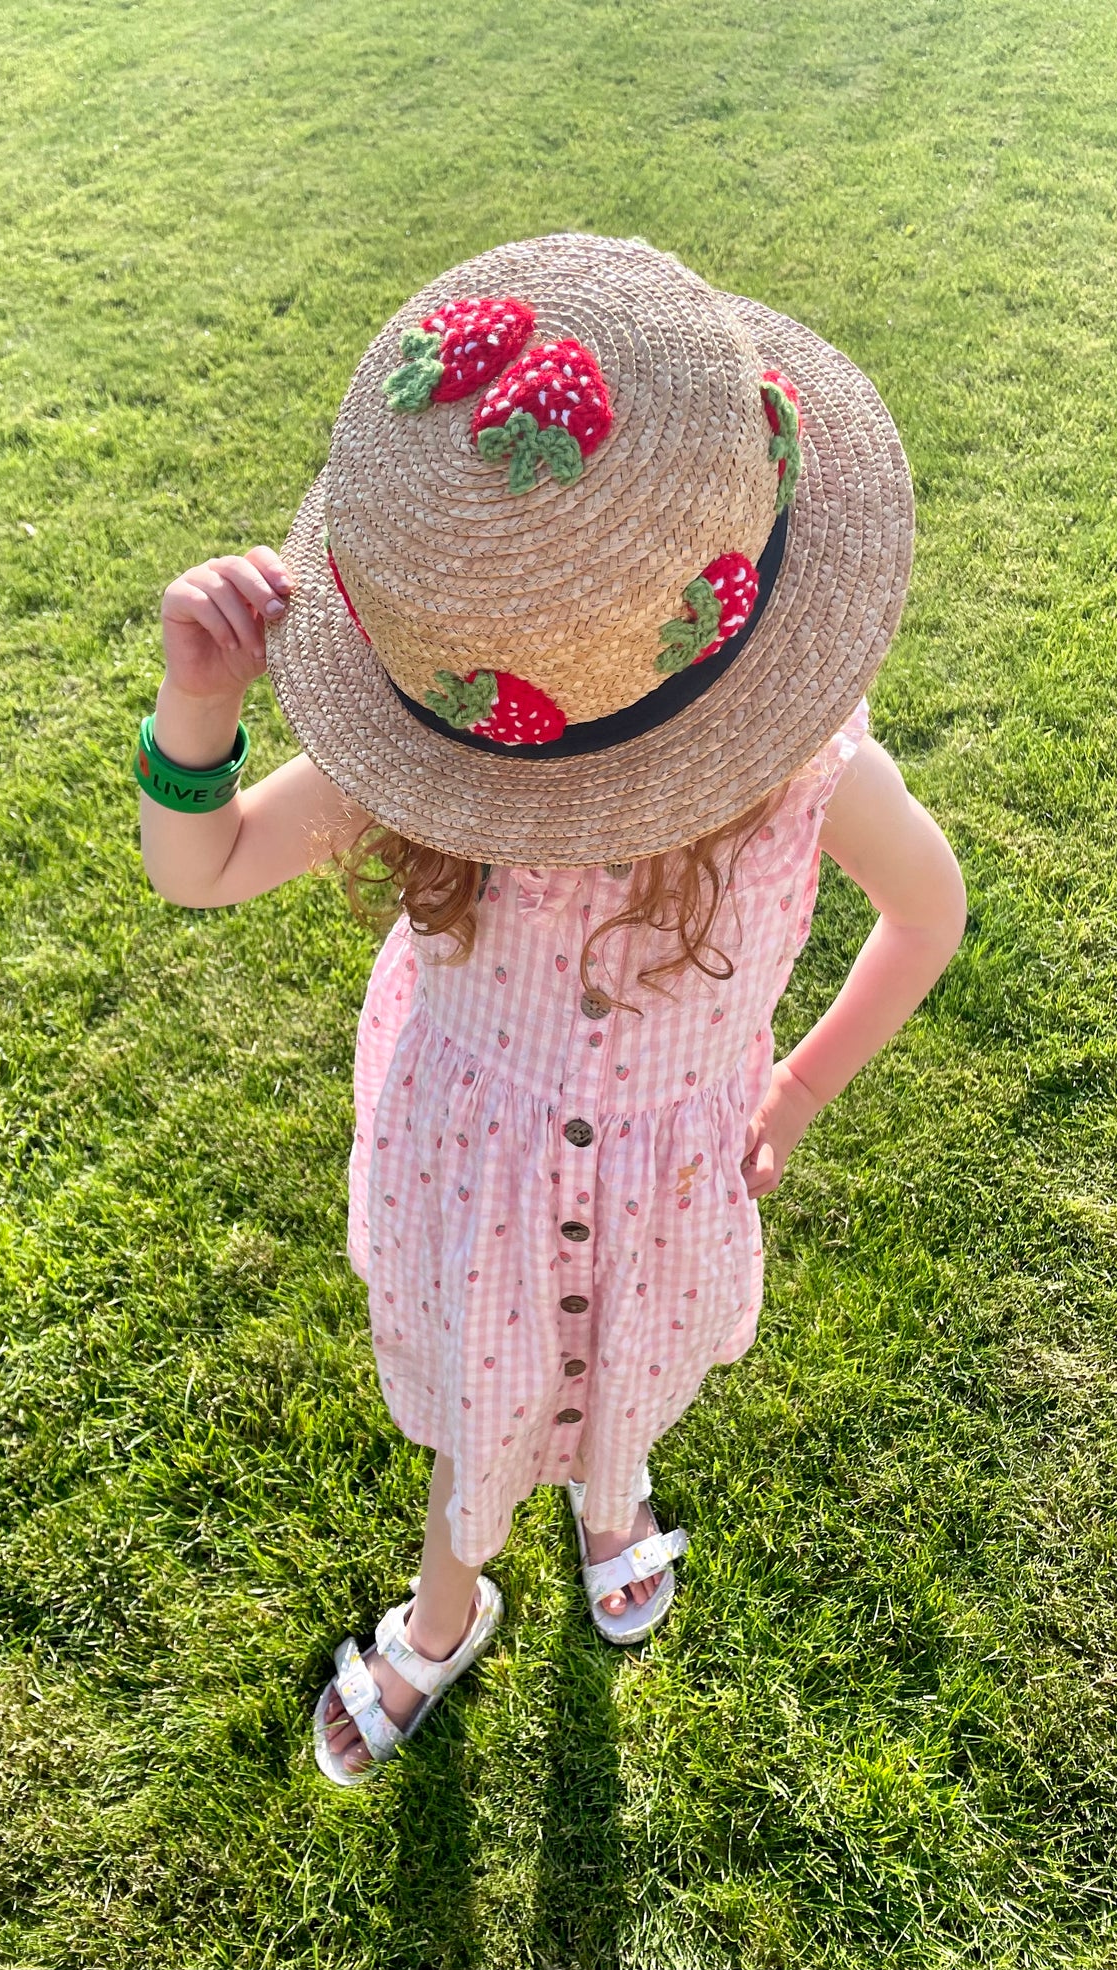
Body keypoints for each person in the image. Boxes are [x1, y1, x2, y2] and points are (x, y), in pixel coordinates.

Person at [135, 235, 967, 1784]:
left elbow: (929, 912)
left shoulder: (805, 774)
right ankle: (444, 1610)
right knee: (481, 1400)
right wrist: (197, 704)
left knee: (625, 1366)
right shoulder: (433, 762)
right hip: (474, 1179)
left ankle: (608, 1492)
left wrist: (791, 1092)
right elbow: (207, 862)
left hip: (662, 1176)